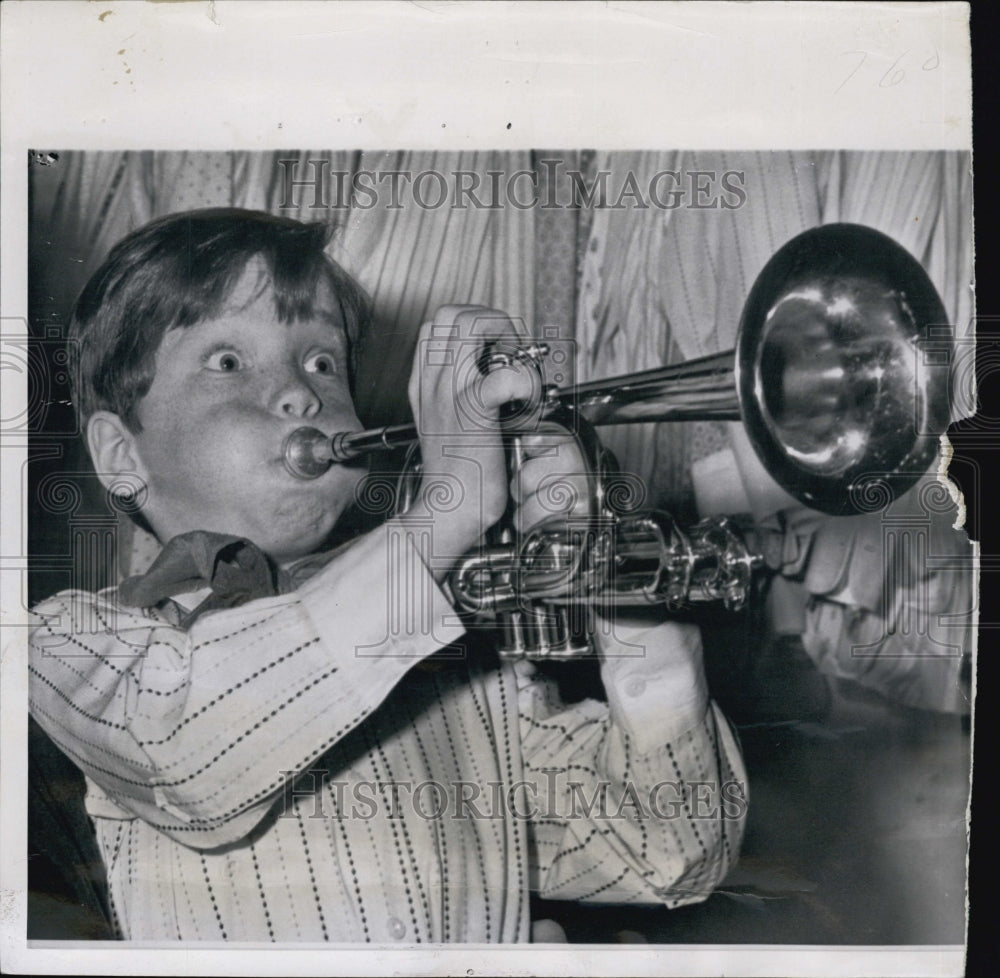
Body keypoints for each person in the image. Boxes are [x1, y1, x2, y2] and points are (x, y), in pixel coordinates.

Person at [28, 208, 746, 943]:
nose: (300, 394)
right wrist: (448, 509)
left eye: (321, 362)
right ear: (121, 456)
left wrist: (612, 579)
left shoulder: (446, 659)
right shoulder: (77, 640)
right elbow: (187, 755)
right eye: (228, 362)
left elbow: (664, 851)